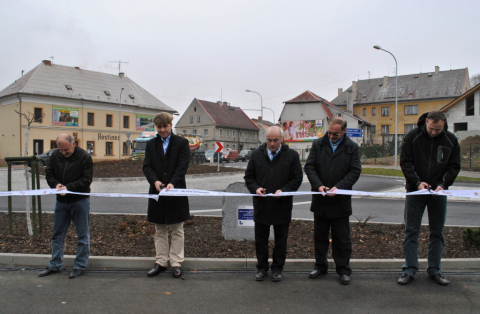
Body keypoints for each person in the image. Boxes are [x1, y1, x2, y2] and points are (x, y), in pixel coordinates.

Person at [397, 111, 460, 286]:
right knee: (411, 231)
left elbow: (454, 166)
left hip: (438, 193)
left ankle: (435, 270)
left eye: (438, 129)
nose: (434, 132)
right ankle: (409, 269)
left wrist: (443, 184)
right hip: (415, 191)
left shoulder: (450, 140)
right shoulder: (413, 136)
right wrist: (417, 183)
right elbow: (406, 162)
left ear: (443, 125)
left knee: (437, 233)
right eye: (431, 128)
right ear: (426, 122)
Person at [304, 117, 361, 285]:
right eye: (329, 132)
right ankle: (320, 267)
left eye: (335, 133)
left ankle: (343, 269)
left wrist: (339, 187)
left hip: (340, 201)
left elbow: (355, 171)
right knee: (320, 237)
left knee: (342, 238)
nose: (331, 136)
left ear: (344, 131)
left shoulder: (352, 147)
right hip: (321, 199)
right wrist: (318, 185)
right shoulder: (318, 144)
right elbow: (310, 167)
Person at [244, 126, 303, 282]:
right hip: (261, 205)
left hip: (282, 205)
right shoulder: (256, 155)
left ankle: (277, 269)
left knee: (281, 240)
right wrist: (255, 188)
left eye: (275, 140)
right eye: (269, 140)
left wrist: (284, 190)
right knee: (260, 240)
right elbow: (249, 177)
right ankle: (262, 268)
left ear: (282, 140)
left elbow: (297, 179)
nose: (272, 144)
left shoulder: (291, 156)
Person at [143, 112, 190, 279]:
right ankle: (161, 262)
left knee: (177, 230)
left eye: (165, 126)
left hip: (176, 191)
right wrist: (155, 181)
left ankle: (176, 262)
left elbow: (182, 166)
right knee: (159, 230)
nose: (162, 130)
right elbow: (147, 167)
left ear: (171, 125)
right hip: (157, 192)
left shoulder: (182, 143)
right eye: (159, 127)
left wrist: (173, 183)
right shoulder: (150, 144)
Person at [39, 134, 93, 278]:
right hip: (61, 202)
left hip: (79, 201)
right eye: (60, 150)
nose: (63, 153)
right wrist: (55, 185)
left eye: (66, 150)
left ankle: (80, 265)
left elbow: (86, 179)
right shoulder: (56, 155)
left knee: (82, 235)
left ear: (73, 144)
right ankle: (55, 264)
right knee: (57, 235)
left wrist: (68, 187)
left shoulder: (84, 157)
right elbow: (49, 173)